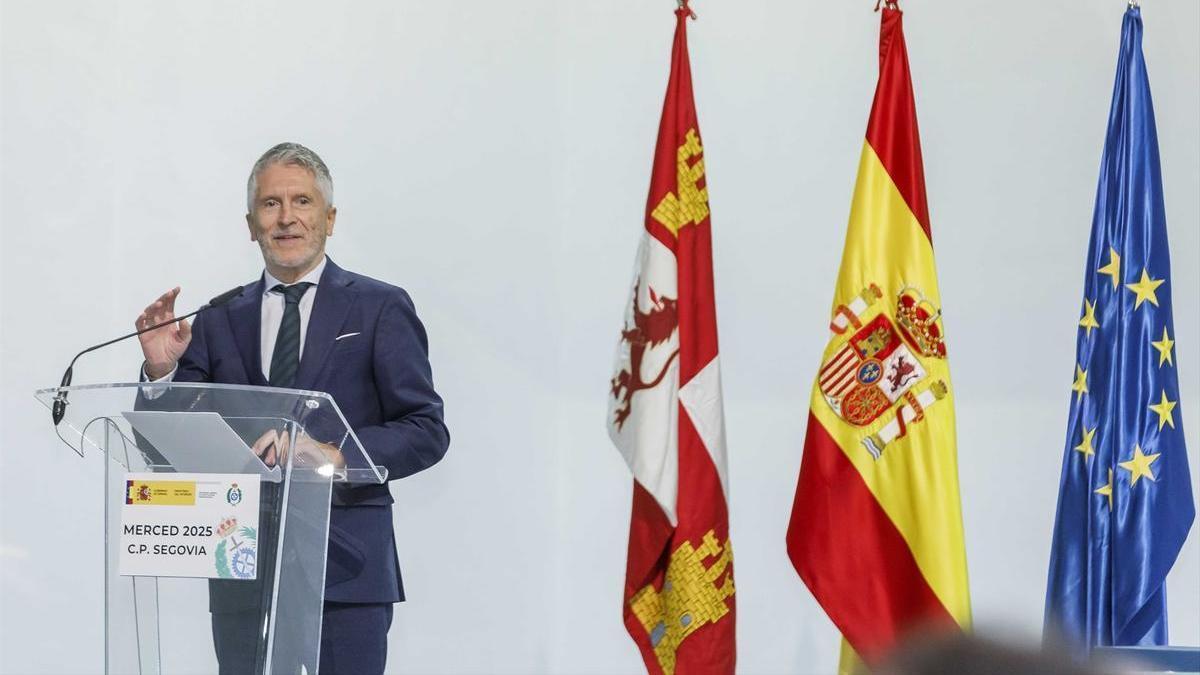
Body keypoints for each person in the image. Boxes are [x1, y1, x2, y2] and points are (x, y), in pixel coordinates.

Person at [135, 142, 449, 674]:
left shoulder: (378, 307)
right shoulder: (216, 318)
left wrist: (332, 453)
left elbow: (424, 429)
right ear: (250, 223)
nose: (285, 218)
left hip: (347, 567)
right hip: (241, 563)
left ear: (329, 218)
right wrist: (162, 373)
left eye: (301, 202)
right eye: (269, 204)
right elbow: (162, 448)